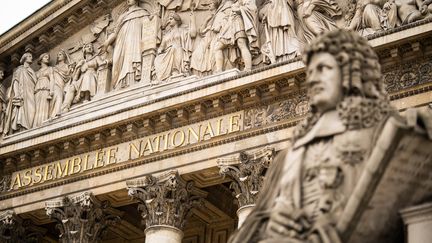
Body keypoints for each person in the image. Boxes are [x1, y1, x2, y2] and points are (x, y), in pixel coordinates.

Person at [229, 30, 403, 243]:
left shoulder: (386, 139)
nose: (314, 79)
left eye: (324, 69)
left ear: (351, 73)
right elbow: (253, 226)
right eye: (310, 72)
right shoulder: (290, 155)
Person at [102, 0, 150, 90]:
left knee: (131, 58)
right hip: (121, 41)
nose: (128, 0)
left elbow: (148, 26)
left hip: (134, 38)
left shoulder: (142, 13)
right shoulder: (122, 17)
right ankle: (120, 83)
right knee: (118, 60)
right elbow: (115, 33)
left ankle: (132, 82)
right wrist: (107, 42)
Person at [213, 0, 259, 72]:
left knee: (242, 44)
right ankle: (219, 70)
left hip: (238, 23)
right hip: (230, 26)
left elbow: (252, 8)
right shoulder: (231, 4)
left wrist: (238, 9)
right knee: (217, 47)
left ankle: (248, 68)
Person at [62, 43, 107, 112]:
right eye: (87, 46)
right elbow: (76, 75)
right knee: (71, 87)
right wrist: (74, 81)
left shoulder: (96, 57)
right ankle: (65, 107)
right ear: (84, 50)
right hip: (81, 79)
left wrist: (108, 61)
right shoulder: (82, 62)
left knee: (87, 75)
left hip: (92, 75)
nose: (90, 48)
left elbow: (101, 63)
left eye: (91, 47)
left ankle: (87, 98)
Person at [154, 11, 196, 81]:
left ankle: (175, 71)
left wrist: (193, 19)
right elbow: (161, 46)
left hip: (178, 50)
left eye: (171, 19)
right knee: (157, 59)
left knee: (175, 48)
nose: (169, 21)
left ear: (176, 20)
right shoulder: (166, 35)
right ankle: (162, 77)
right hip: (167, 53)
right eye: (169, 19)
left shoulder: (182, 31)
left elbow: (193, 34)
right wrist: (160, 50)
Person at [3, 53, 37, 135]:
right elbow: (15, 81)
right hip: (23, 93)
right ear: (24, 58)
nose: (31, 58)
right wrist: (17, 94)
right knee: (24, 110)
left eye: (31, 57)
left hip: (31, 93)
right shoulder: (19, 70)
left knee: (32, 110)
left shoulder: (31, 71)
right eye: (29, 56)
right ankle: (23, 129)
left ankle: (29, 128)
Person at [50, 50, 74, 118]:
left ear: (64, 56)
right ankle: (57, 113)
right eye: (58, 55)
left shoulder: (67, 66)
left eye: (60, 54)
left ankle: (58, 112)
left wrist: (68, 55)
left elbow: (70, 74)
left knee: (62, 96)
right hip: (56, 84)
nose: (58, 56)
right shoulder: (54, 68)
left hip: (63, 85)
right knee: (59, 96)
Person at [34, 53, 53, 127]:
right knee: (36, 108)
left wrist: (51, 91)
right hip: (37, 91)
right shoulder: (36, 72)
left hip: (46, 89)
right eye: (45, 57)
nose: (47, 58)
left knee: (44, 107)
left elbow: (52, 79)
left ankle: (43, 123)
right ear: (41, 59)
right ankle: (36, 125)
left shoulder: (50, 69)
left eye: (48, 57)